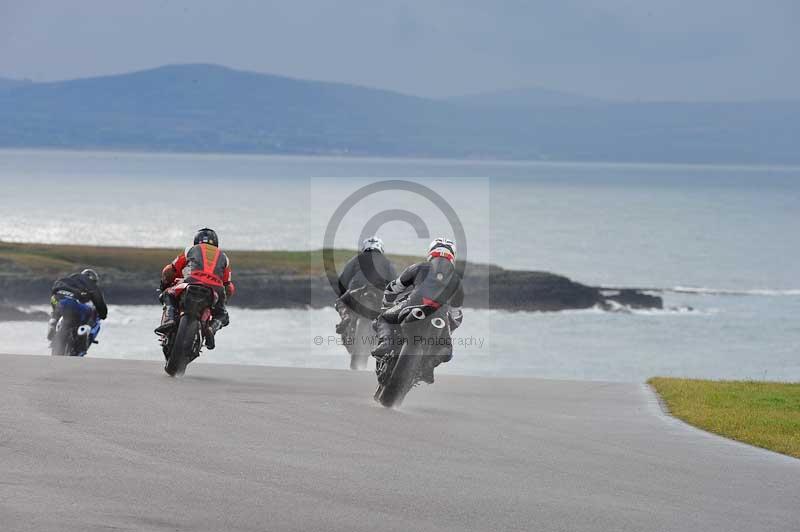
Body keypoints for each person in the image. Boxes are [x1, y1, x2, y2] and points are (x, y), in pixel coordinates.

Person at [372, 237, 464, 382]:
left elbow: (393, 287)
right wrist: (448, 329)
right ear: (452, 256)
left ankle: (386, 343)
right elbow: (457, 316)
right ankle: (428, 367)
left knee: (383, 318)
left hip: (412, 304)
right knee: (447, 351)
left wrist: (386, 303)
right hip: (440, 316)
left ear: (431, 252)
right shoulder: (456, 280)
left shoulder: (419, 267)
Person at [155, 228, 235, 350]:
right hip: (216, 289)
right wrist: (222, 303)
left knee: (168, 294)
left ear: (196, 241)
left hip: (191, 282)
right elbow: (228, 286)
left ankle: (169, 320)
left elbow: (169, 270)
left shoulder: (190, 250)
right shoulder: (224, 258)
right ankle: (211, 329)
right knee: (222, 315)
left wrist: (164, 284)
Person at [334, 237, 397, 334]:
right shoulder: (387, 262)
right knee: (390, 311)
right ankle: (389, 331)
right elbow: (394, 282)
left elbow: (343, 280)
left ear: (364, 247)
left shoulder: (356, 259)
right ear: (381, 248)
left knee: (340, 302)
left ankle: (345, 318)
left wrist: (343, 294)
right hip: (379, 292)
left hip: (357, 290)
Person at [47, 268, 108, 341]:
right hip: (73, 303)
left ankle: (53, 321)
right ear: (93, 280)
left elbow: (54, 289)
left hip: (56, 299)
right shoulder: (90, 283)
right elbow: (99, 300)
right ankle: (83, 331)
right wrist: (103, 314)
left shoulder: (68, 279)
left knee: (59, 307)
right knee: (91, 311)